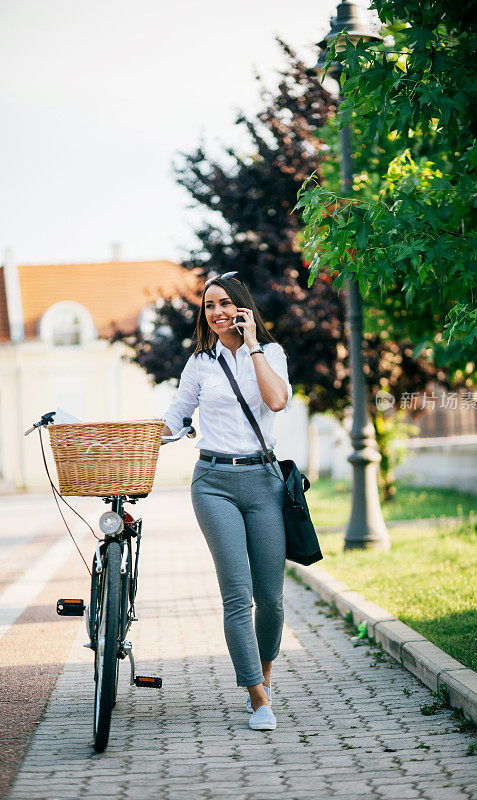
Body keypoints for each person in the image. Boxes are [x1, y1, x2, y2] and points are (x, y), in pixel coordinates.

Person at [161, 272, 292, 731]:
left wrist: (253, 344)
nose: (215, 312)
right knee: (238, 596)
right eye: (208, 305)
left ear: (241, 307)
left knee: (271, 598)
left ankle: (265, 678)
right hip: (213, 481)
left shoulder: (271, 354)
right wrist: (144, 437)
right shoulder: (200, 363)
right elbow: (176, 415)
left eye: (223, 304)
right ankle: (258, 698)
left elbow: (276, 402)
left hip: (264, 482)